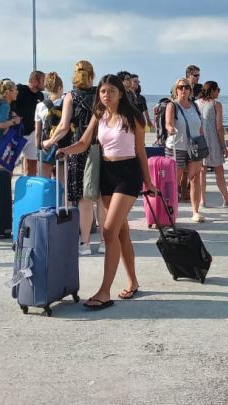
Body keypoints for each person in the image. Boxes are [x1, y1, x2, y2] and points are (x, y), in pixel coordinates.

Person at [61, 74, 158, 310]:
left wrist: (149, 182)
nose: (106, 95)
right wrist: (63, 149)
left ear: (120, 94)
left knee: (108, 231)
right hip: (106, 173)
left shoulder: (132, 116)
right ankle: (133, 282)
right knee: (121, 232)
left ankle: (104, 291)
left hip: (128, 174)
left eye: (111, 91)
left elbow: (141, 152)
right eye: (103, 92)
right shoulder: (99, 115)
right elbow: (84, 143)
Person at [43, 60, 105, 256]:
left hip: (79, 147)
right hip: (100, 145)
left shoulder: (71, 96)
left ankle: (85, 244)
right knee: (102, 198)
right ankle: (105, 242)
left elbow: (63, 127)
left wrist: (50, 141)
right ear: (92, 75)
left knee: (83, 198)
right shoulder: (100, 94)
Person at [165, 78, 207, 222]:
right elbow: (168, 123)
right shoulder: (172, 106)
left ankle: (196, 211)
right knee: (174, 181)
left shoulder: (195, 106)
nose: (184, 90)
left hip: (194, 147)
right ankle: (170, 211)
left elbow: (199, 126)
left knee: (195, 178)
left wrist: (203, 141)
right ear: (176, 90)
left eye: (186, 87)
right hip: (177, 147)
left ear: (190, 90)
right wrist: (170, 128)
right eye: (181, 87)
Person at [196, 81, 228, 208]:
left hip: (199, 140)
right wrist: (223, 145)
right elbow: (219, 127)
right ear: (212, 91)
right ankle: (226, 199)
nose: (219, 92)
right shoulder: (216, 104)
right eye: (218, 89)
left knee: (202, 171)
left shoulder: (196, 104)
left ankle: (202, 200)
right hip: (212, 140)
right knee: (219, 171)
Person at [12, 70, 45, 176]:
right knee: (10, 165)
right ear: (35, 81)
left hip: (33, 134)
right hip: (18, 133)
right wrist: (13, 115)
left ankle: (29, 188)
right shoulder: (20, 90)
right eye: (43, 80)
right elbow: (9, 103)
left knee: (32, 164)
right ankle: (6, 190)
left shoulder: (41, 96)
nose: (45, 83)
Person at [35, 72, 64, 178]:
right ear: (60, 87)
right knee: (62, 184)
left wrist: (39, 147)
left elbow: (38, 132)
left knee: (44, 182)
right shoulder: (66, 104)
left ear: (46, 88)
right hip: (63, 145)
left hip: (46, 146)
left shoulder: (40, 106)